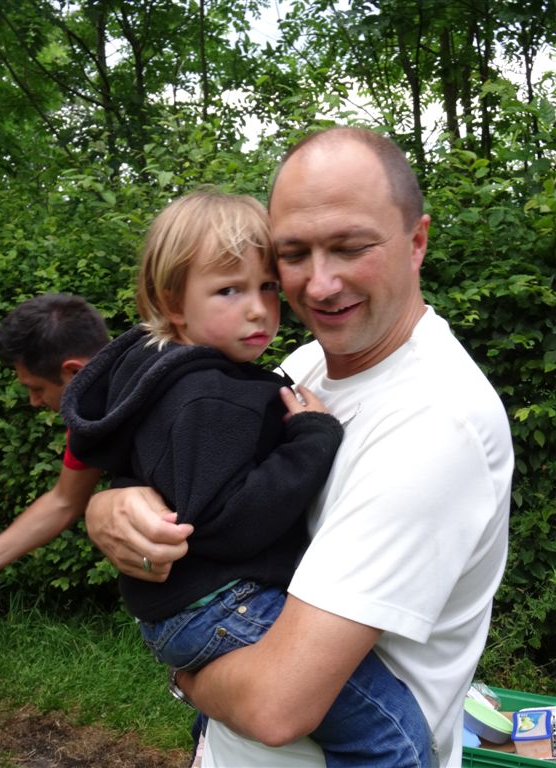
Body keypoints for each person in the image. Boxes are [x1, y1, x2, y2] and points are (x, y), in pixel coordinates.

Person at [84, 127, 514, 768]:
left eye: (349, 247)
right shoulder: (310, 363)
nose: (318, 285)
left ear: (416, 241)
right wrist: (113, 507)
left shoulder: (434, 422)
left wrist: (187, 677)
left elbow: (275, 707)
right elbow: (202, 479)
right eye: (293, 254)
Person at [0, 293, 108, 579]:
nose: (35, 401)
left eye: (37, 388)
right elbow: (64, 501)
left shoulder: (159, 397)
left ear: (74, 371)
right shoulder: (89, 417)